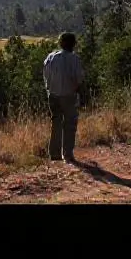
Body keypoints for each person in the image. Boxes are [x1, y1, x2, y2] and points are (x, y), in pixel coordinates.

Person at [42, 32, 85, 163]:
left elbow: (45, 75)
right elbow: (79, 79)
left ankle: (54, 154)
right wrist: (79, 93)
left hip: (53, 95)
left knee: (56, 123)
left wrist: (49, 89)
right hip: (68, 95)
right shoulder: (74, 59)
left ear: (60, 43)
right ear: (73, 44)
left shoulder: (50, 57)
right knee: (70, 124)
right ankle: (67, 154)